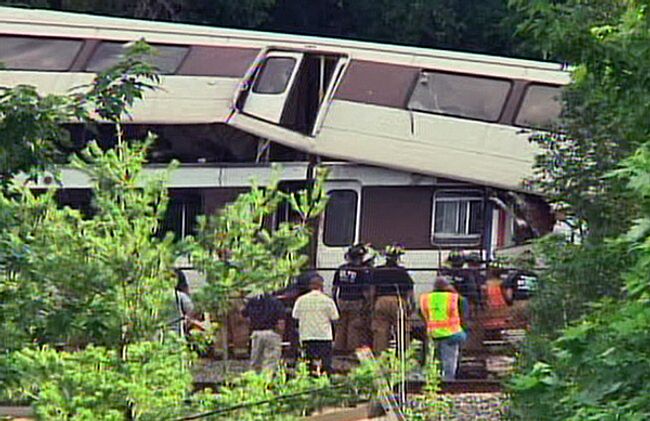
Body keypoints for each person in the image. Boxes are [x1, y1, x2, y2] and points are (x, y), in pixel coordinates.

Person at [419, 277, 468, 381]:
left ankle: (432, 381)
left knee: (434, 360)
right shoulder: (453, 297)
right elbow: (464, 305)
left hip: (433, 334)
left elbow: (421, 313)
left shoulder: (426, 298)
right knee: (449, 361)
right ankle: (448, 382)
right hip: (451, 333)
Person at [370, 244, 414, 355]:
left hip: (381, 301)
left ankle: (380, 357)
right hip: (398, 301)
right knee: (401, 329)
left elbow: (372, 289)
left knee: (380, 331)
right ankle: (403, 355)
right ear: (398, 258)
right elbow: (410, 290)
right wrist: (411, 305)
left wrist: (371, 304)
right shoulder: (402, 272)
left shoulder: (377, 271)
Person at [292, 274, 339, 375]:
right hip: (324, 336)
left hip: (306, 336)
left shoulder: (301, 300)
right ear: (321, 286)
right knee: (326, 364)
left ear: (310, 286)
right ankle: (325, 380)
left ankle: (308, 380)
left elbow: (295, 318)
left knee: (308, 363)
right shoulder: (328, 301)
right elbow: (335, 319)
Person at [333, 243, 372, 353]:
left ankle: (339, 347)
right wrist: (368, 302)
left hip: (342, 299)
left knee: (341, 325)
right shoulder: (362, 271)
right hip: (356, 300)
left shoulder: (341, 269)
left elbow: (335, 287)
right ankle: (351, 348)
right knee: (354, 326)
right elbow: (365, 290)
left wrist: (335, 300)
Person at [242, 293, 286, 372]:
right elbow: (281, 322)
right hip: (272, 333)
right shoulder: (276, 303)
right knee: (271, 361)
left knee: (256, 360)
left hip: (256, 333)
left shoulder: (252, 302)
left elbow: (245, 316)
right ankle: (268, 380)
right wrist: (280, 335)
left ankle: (255, 379)